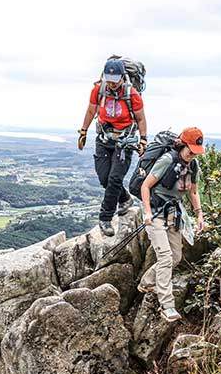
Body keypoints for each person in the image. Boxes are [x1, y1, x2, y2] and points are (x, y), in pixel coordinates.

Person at [138, 127, 206, 322]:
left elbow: (193, 192)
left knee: (175, 256)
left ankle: (147, 282)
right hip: (156, 212)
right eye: (190, 150)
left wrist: (199, 215)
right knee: (166, 257)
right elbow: (145, 186)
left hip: (174, 213)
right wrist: (148, 213)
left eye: (195, 152)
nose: (192, 155)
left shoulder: (193, 166)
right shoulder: (167, 160)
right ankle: (166, 306)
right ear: (182, 145)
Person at [78, 58, 148, 237]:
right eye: (108, 80)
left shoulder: (132, 94)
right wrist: (83, 132)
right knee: (104, 178)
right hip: (103, 138)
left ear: (122, 78)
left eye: (114, 81)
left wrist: (143, 140)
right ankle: (125, 199)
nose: (111, 84)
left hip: (124, 141)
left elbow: (141, 119)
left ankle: (105, 218)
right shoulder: (98, 89)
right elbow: (91, 111)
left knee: (115, 179)